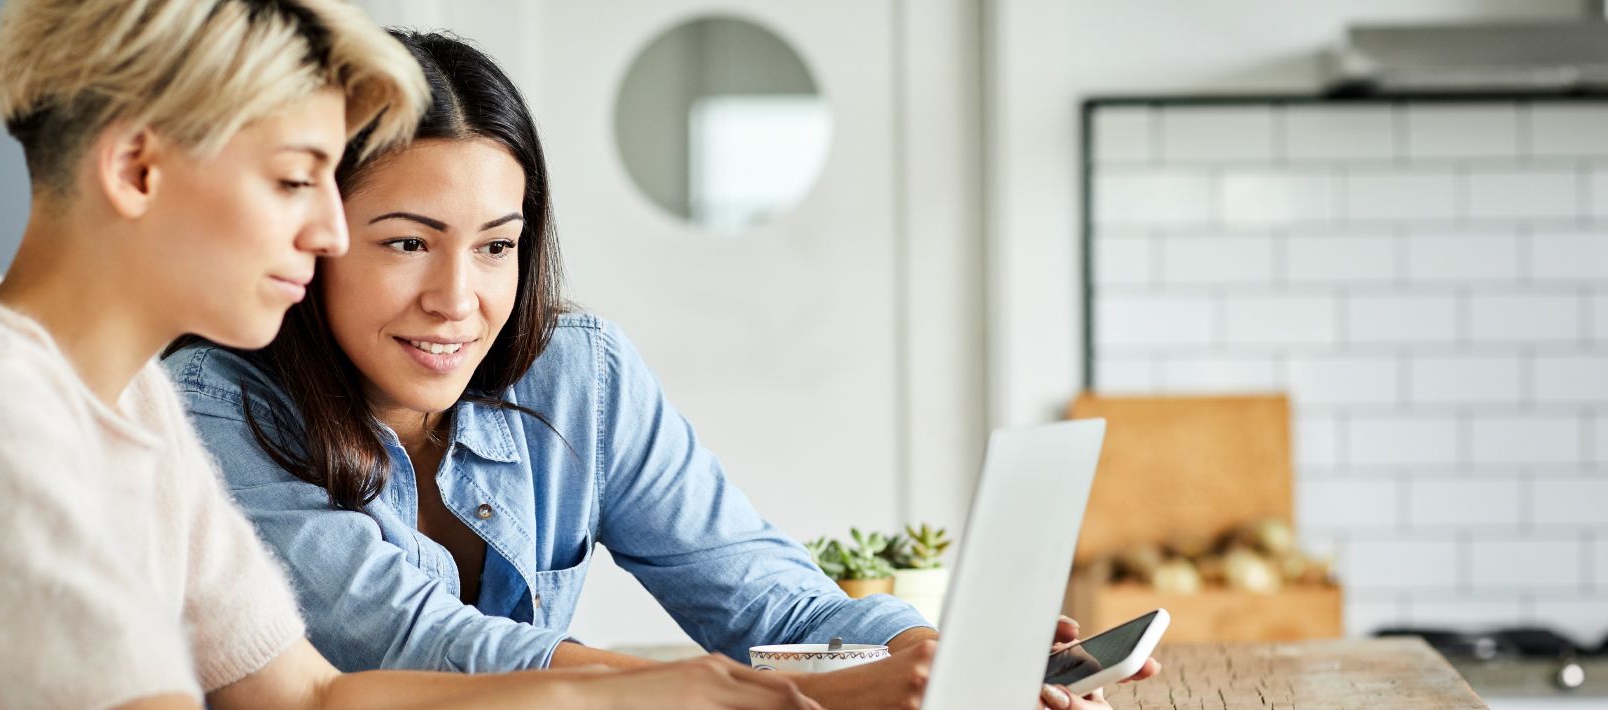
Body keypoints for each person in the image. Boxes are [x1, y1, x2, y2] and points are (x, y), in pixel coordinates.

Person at [0, 2, 818, 709]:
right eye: (297, 180)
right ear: (137, 167)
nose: (332, 232)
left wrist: (655, 687)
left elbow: (308, 692)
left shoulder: (125, 406)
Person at [168, 30, 1153, 710]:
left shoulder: (574, 373)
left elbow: (764, 596)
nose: (458, 298)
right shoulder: (212, 406)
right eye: (406, 243)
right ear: (321, 234)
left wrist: (909, 653)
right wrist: (806, 689)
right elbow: (421, 644)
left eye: (497, 245)